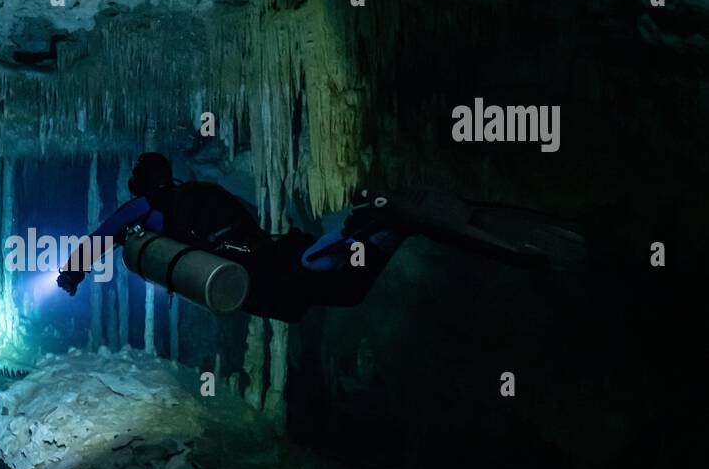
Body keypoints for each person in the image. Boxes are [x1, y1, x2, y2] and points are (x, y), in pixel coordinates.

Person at [57, 152, 584, 323]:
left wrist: (72, 274)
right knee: (344, 293)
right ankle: (389, 231)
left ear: (139, 185)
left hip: (245, 273)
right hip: (258, 251)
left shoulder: (143, 208)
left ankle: (368, 221)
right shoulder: (201, 187)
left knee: (308, 283)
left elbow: (100, 236)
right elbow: (245, 217)